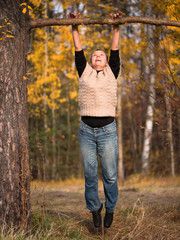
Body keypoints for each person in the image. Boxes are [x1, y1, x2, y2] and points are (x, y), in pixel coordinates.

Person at [68, 11, 122, 228]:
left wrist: (116, 25)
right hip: (86, 132)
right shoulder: (84, 72)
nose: (98, 56)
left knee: (109, 175)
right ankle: (94, 210)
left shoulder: (112, 72)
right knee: (90, 176)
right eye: (95, 55)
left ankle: (110, 208)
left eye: (102, 54)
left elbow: (115, 48)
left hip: (108, 130)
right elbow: (78, 49)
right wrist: (74, 26)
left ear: (107, 61)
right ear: (90, 61)